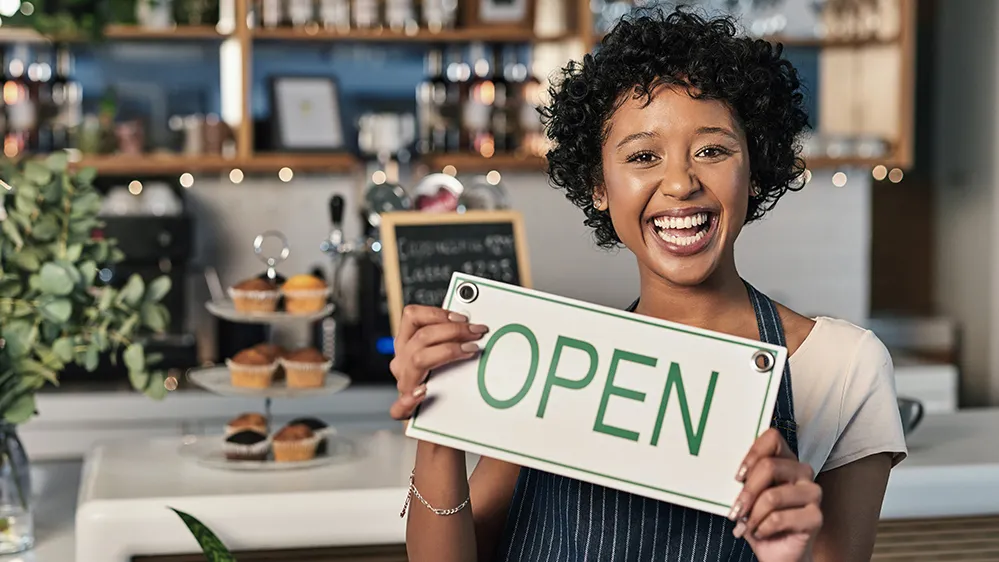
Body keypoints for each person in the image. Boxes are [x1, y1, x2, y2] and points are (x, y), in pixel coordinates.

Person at [389, 7, 907, 562]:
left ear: (753, 170)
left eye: (712, 149)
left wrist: (790, 554)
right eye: (642, 156)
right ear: (599, 185)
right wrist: (438, 431)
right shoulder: (551, 361)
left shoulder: (842, 368)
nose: (681, 182)